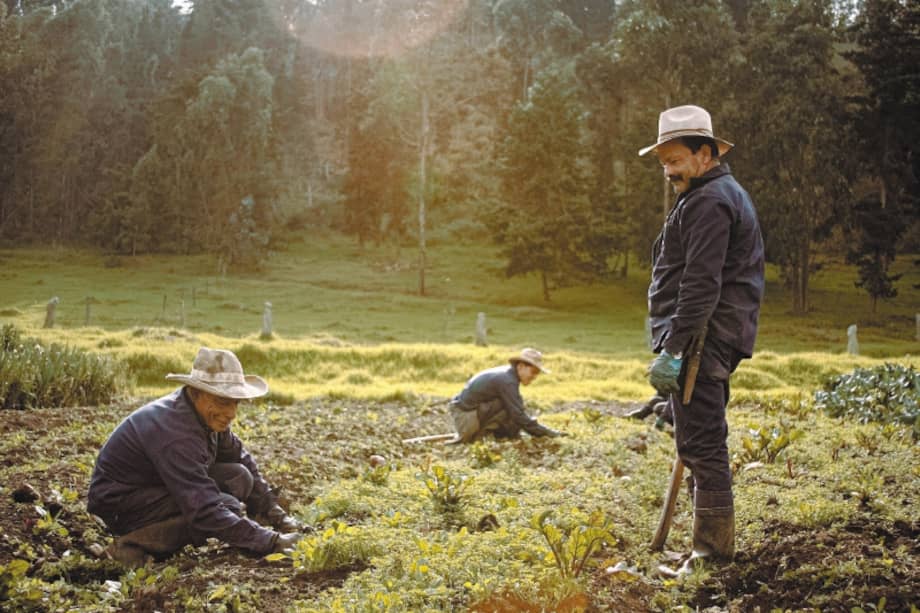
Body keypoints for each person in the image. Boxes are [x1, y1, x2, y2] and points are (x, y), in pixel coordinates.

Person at [638, 105, 765, 576]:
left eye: (676, 160)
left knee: (705, 445)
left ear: (706, 153)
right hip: (704, 336)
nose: (668, 171)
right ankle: (701, 546)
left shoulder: (711, 202)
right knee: (695, 440)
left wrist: (674, 349)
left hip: (702, 339)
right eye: (663, 162)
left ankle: (711, 555)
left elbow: (700, 284)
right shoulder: (707, 195)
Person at [87, 347, 303, 567]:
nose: (232, 413)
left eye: (235, 402)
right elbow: (205, 511)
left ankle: (259, 521)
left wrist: (276, 514)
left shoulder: (204, 415)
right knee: (224, 508)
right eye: (223, 401)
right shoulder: (175, 434)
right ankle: (130, 545)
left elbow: (239, 456)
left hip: (158, 484)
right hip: (122, 504)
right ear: (197, 392)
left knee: (239, 476)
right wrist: (272, 542)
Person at [448, 348, 567, 443]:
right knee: (513, 410)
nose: (535, 376)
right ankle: (480, 435)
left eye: (538, 373)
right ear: (520, 366)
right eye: (533, 371)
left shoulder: (508, 376)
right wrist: (550, 433)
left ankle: (499, 436)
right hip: (466, 418)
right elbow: (518, 415)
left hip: (472, 413)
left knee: (514, 405)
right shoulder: (507, 381)